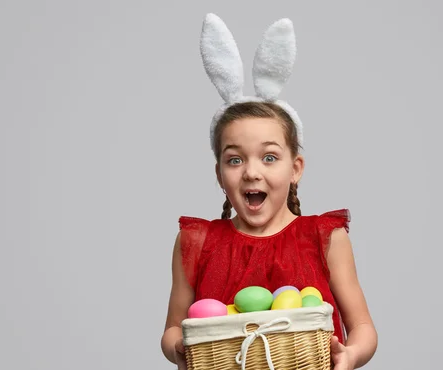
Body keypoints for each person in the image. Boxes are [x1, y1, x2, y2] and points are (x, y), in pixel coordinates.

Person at [161, 13, 378, 369]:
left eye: (269, 157)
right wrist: (179, 349)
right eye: (234, 160)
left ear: (295, 170)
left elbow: (364, 327)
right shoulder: (196, 242)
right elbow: (172, 328)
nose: (251, 172)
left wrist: (350, 355)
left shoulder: (326, 238)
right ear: (219, 174)